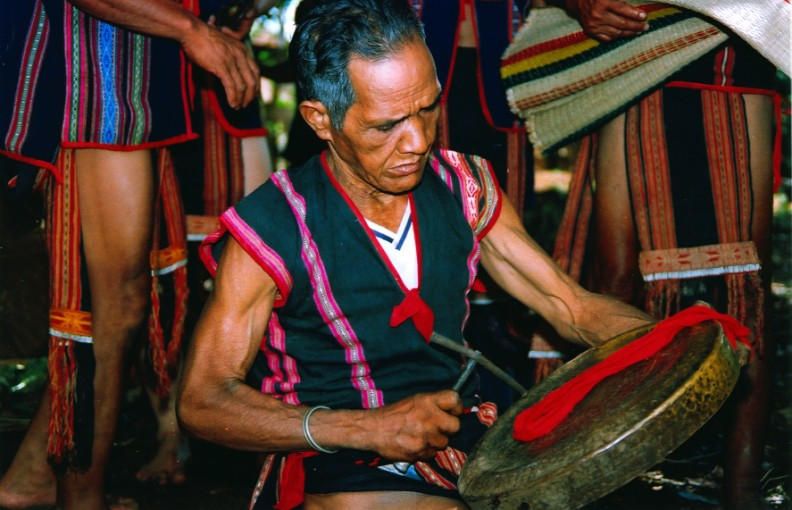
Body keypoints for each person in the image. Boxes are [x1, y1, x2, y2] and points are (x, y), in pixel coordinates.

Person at [176, 1, 652, 508]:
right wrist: (367, 428)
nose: (418, 141)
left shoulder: (465, 185)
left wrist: (680, 340)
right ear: (320, 120)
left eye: (428, 108)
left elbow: (572, 307)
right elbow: (204, 401)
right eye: (386, 126)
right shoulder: (271, 226)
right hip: (337, 462)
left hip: (462, 444)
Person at [0, 1, 260, 508]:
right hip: (91, 80)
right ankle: (81, 497)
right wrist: (187, 28)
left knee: (121, 305)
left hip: (128, 74)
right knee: (111, 310)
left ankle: (31, 478)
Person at [542, 0, 779, 508]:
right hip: (627, 65)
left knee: (744, 283)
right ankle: (613, 469)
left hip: (732, 61)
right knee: (618, 277)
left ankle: (741, 485)